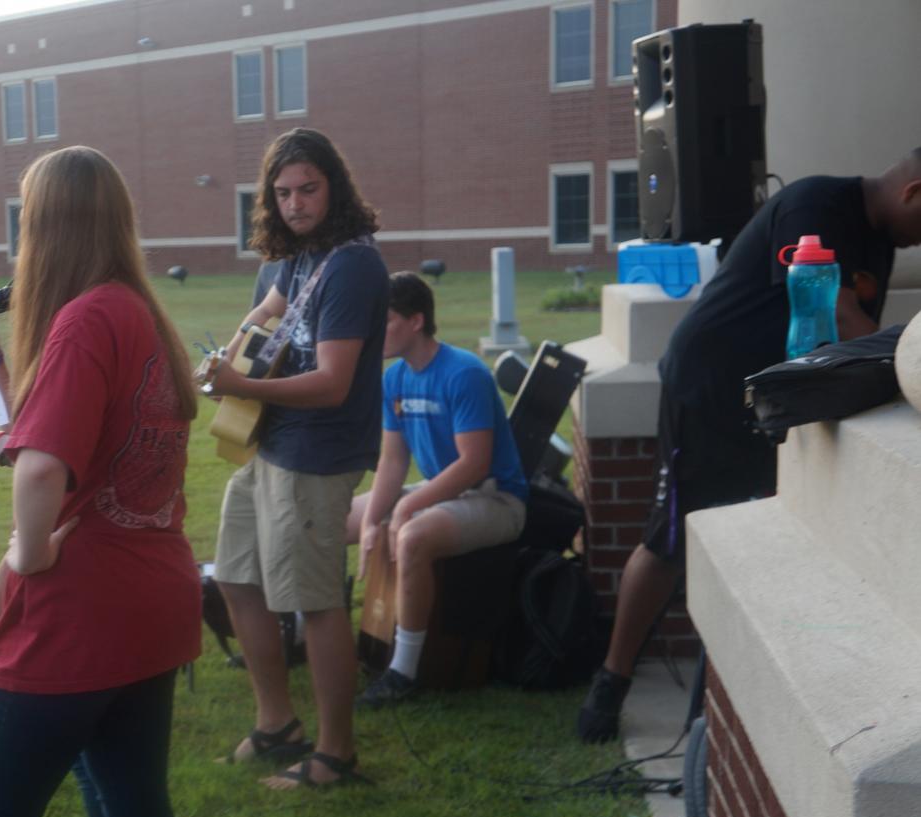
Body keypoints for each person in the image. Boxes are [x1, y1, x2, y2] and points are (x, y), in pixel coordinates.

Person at [0, 145, 202, 817]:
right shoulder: (136, 311)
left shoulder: (84, 319)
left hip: (84, 614)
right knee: (135, 806)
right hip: (154, 599)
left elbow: (43, 470)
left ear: (46, 224)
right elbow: (73, 440)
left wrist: (24, 556)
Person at [577, 147, 921, 743]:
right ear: (915, 193)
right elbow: (835, 316)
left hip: (773, 403)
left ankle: (710, 711)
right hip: (708, 390)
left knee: (758, 546)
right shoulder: (817, 204)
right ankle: (611, 683)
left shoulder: (883, 239)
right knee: (671, 539)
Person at [204, 128, 389, 790]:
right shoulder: (292, 260)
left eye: (308, 189)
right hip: (268, 441)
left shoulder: (353, 266)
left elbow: (334, 381)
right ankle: (277, 721)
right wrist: (223, 358)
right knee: (235, 577)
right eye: (282, 193)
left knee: (315, 601)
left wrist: (239, 385)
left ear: (333, 186)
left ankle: (335, 754)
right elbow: (263, 316)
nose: (295, 204)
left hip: (318, 452)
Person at [346, 271, 529, 707]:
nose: (376, 331)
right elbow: (392, 461)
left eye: (385, 320)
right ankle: (313, 632)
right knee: (333, 517)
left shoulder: (463, 372)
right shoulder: (394, 379)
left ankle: (402, 672)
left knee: (410, 537)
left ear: (415, 321)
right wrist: (373, 521)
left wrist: (407, 512)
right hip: (441, 489)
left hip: (495, 497)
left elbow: (473, 464)